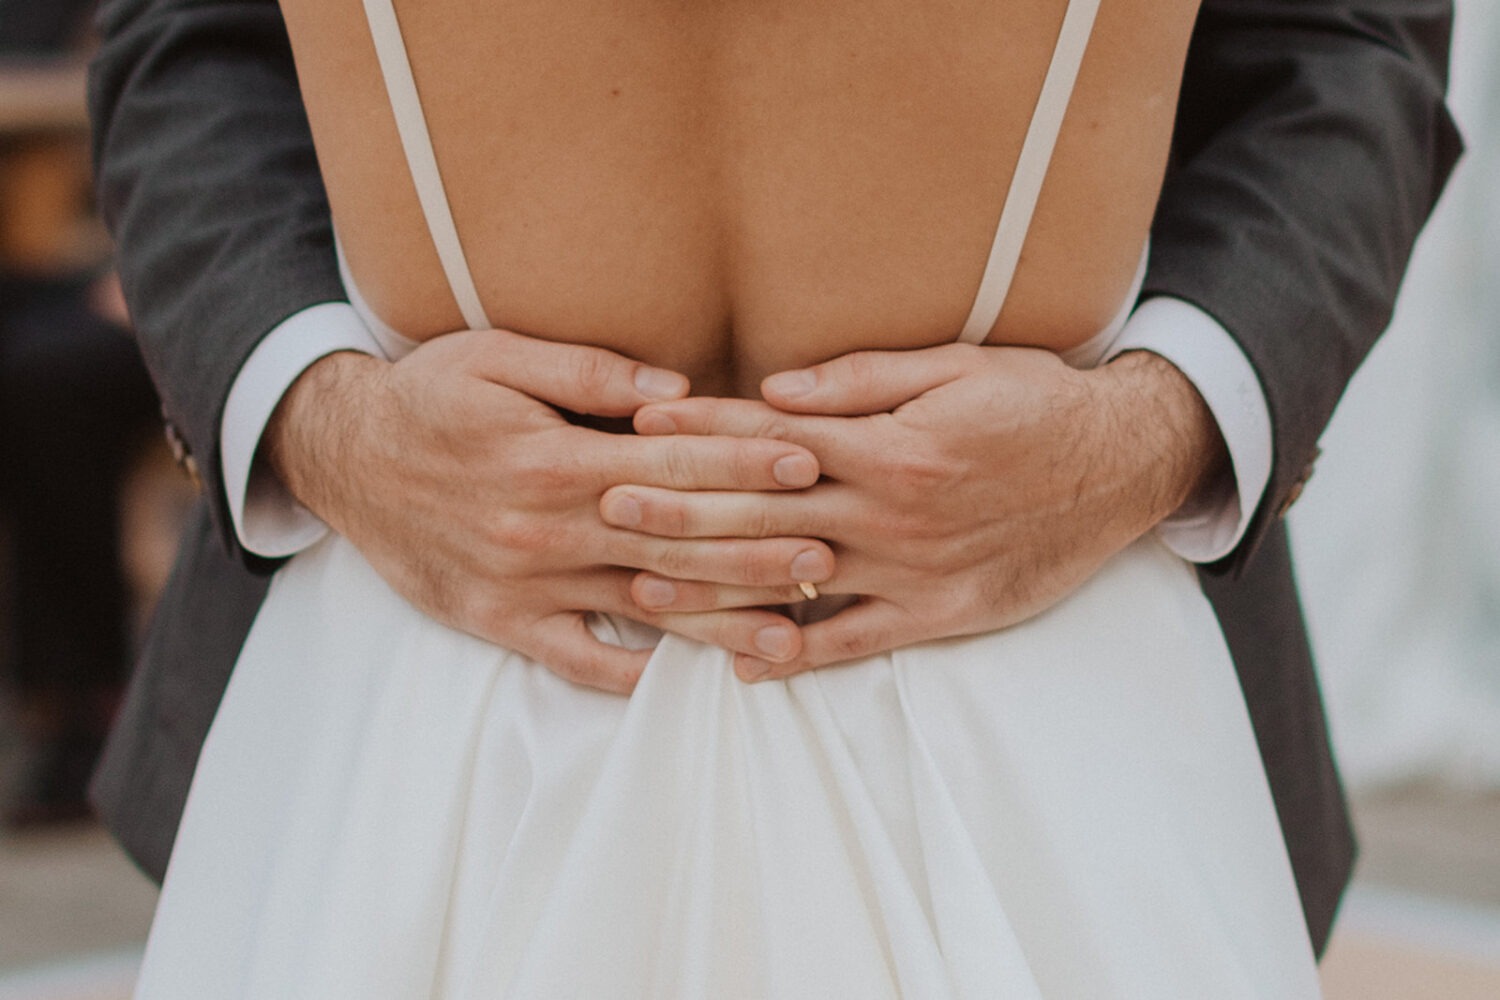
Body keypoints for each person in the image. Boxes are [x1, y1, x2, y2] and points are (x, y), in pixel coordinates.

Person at [87, 0, 1458, 986]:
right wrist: (330, 423)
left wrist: (1150, 427)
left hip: (1040, 659)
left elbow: (1346, 48)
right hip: (427, 639)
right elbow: (185, 43)